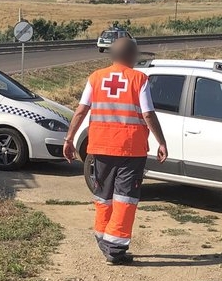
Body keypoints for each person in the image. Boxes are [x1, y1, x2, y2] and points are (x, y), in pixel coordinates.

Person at [63, 38, 168, 265]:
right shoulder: (139, 79)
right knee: (125, 199)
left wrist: (69, 138)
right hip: (130, 150)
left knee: (104, 196)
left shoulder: (96, 78)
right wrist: (161, 142)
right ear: (131, 56)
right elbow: (148, 114)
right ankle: (115, 249)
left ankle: (103, 239)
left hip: (100, 148)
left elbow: (81, 110)